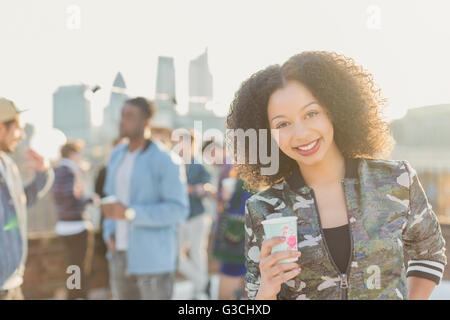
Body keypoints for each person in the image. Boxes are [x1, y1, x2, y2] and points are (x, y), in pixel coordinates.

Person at [226, 51, 447, 300]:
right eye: (282, 124)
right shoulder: (263, 208)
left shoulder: (397, 179)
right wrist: (267, 287)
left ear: (334, 110)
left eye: (311, 114)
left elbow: (429, 252)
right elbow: (258, 297)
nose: (301, 134)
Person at [101, 97, 189, 300]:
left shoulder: (166, 160)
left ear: (146, 123)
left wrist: (131, 213)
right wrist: (109, 234)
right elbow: (109, 199)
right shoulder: (116, 155)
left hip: (153, 261)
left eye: (129, 116)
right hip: (119, 255)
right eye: (122, 115)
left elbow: (178, 210)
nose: (123, 121)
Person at [0, 97, 54, 300]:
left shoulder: (7, 165)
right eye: (18, 128)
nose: (22, 135)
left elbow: (21, 202)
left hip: (13, 284)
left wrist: (44, 174)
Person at [51, 140, 100, 299]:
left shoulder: (57, 170)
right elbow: (73, 197)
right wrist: (90, 200)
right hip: (77, 226)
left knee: (71, 266)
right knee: (80, 267)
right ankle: (77, 295)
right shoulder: (71, 172)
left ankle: (73, 294)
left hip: (63, 226)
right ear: (73, 154)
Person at [174, 131, 215, 300]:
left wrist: (193, 189)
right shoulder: (174, 164)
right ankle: (203, 283)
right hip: (181, 217)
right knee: (174, 256)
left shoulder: (199, 165)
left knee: (198, 252)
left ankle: (201, 292)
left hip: (198, 216)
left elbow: (209, 188)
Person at [214, 168, 253, 300]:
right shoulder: (248, 177)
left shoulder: (247, 181)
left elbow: (243, 211)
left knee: (225, 296)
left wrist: (227, 200)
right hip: (246, 245)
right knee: (249, 293)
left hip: (235, 247)